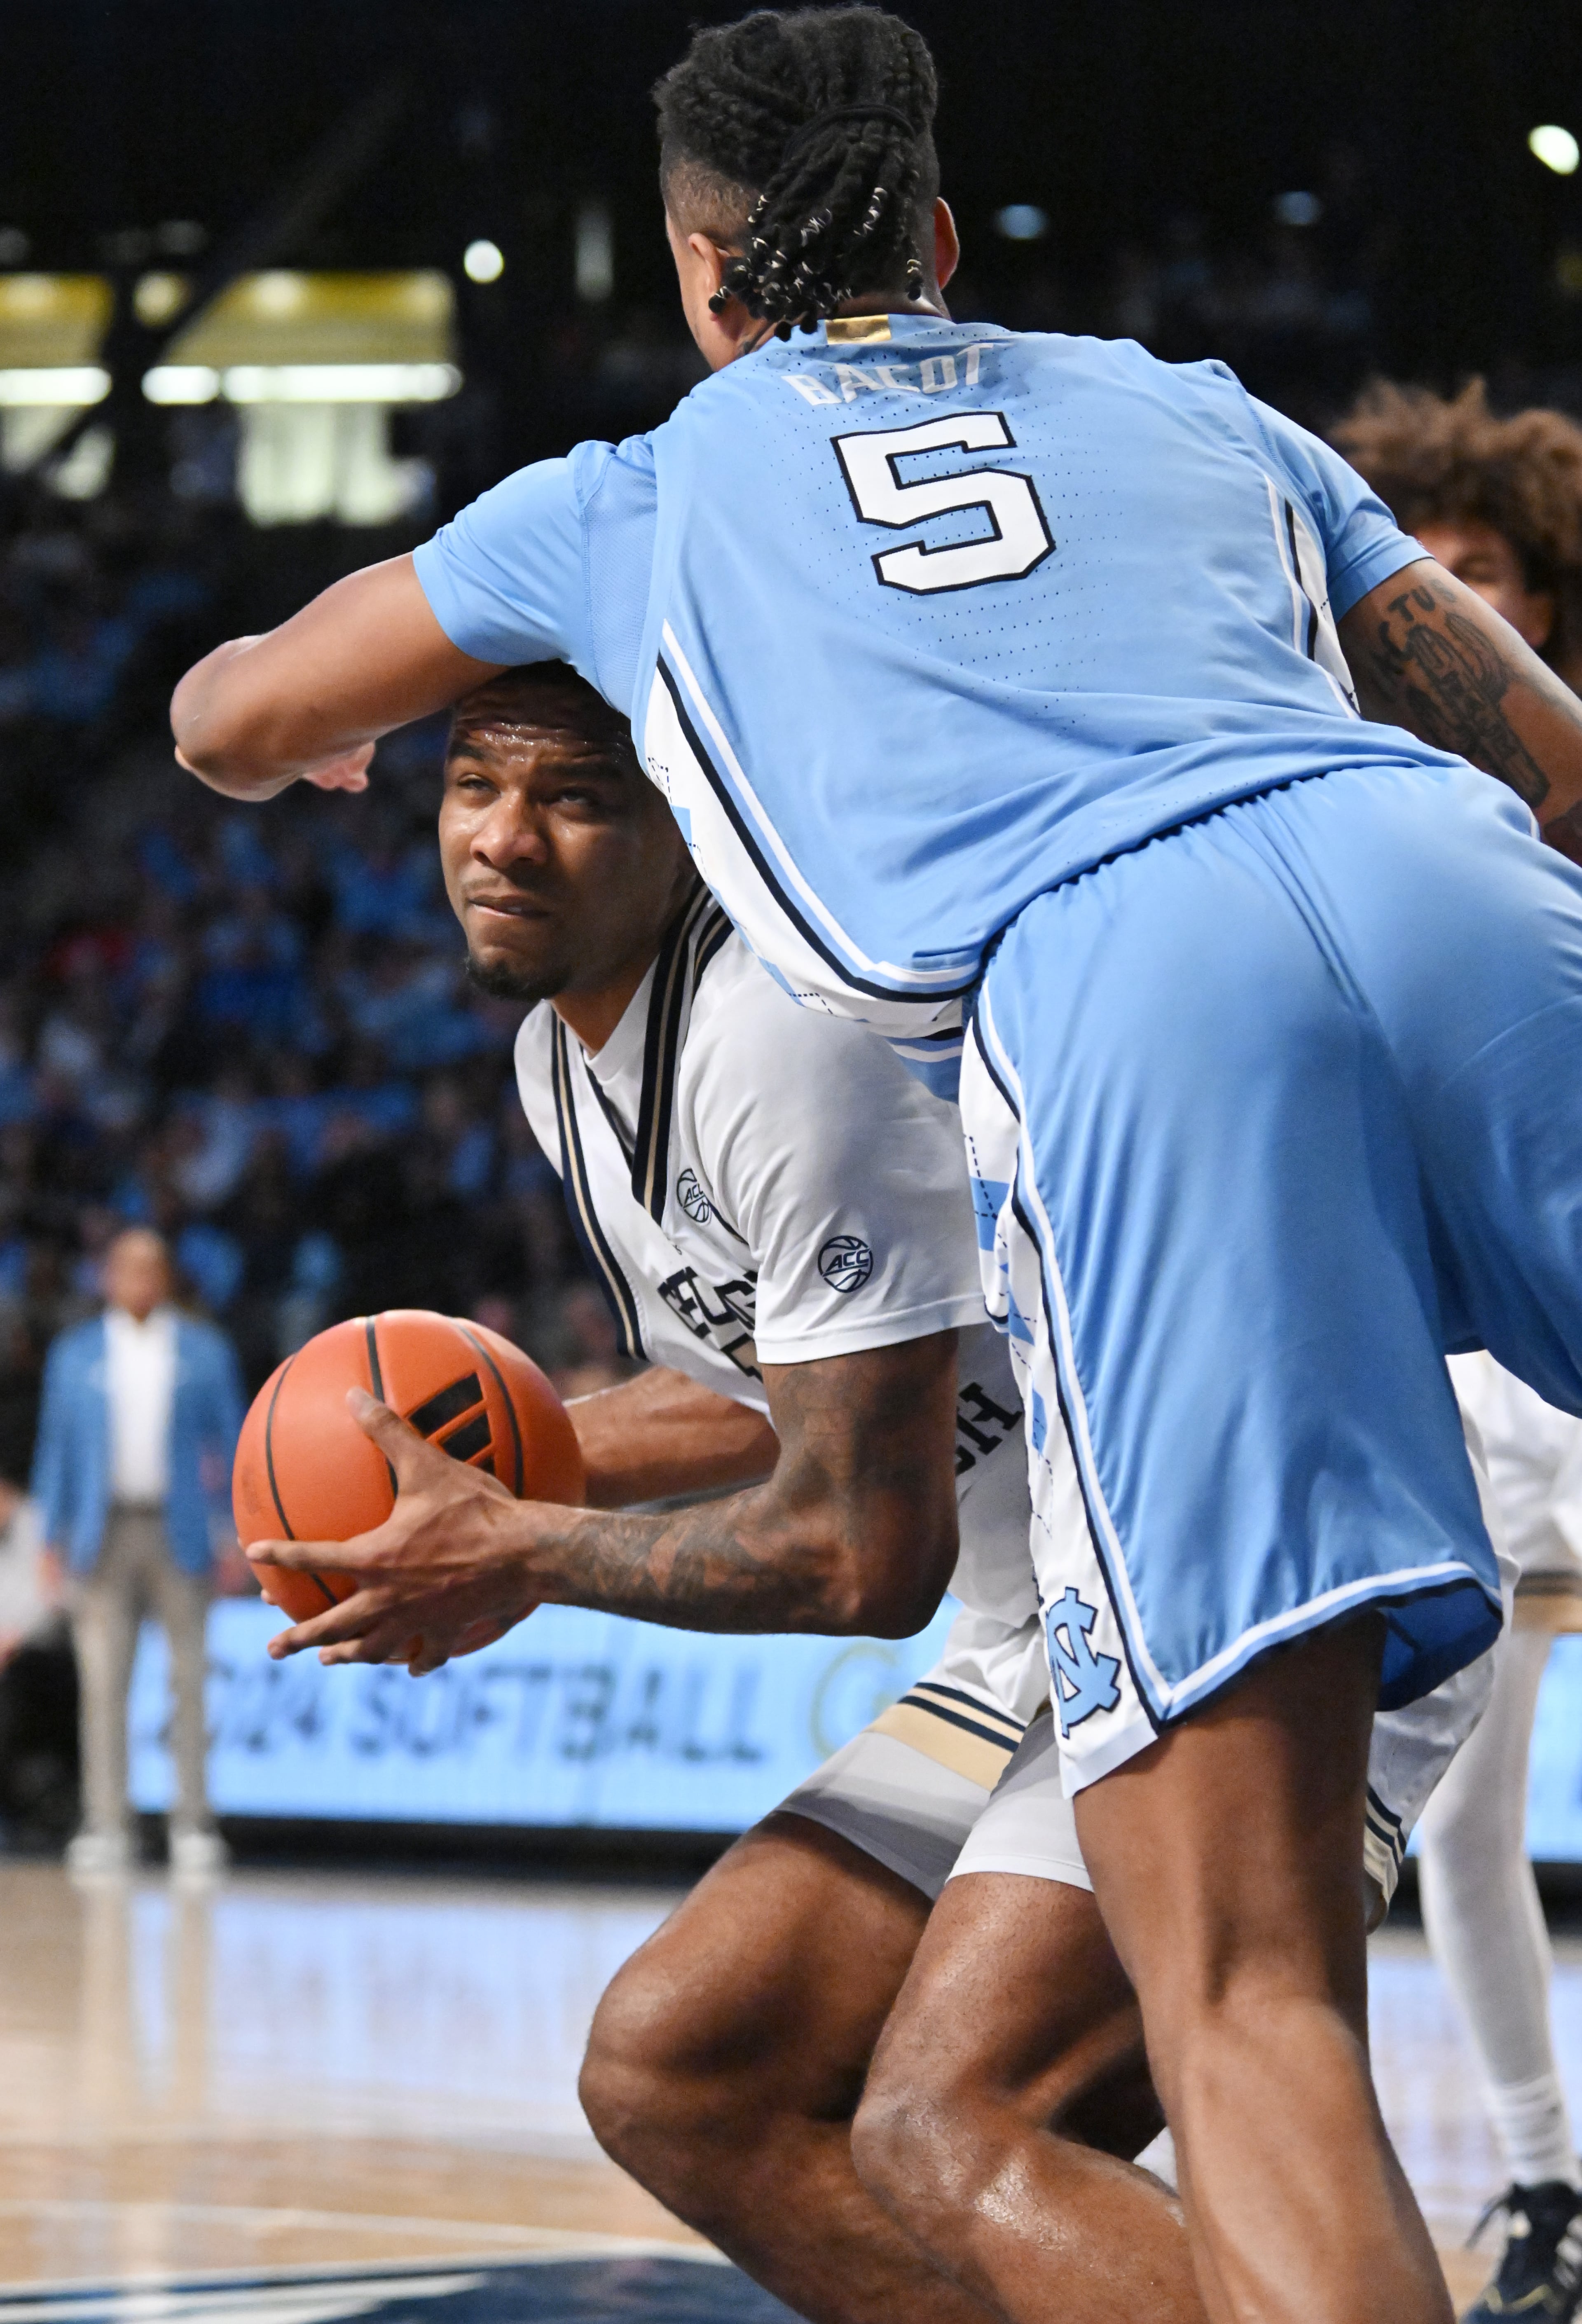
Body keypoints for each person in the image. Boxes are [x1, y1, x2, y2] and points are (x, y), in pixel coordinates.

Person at [166, 11, 1582, 2317]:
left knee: (1231, 2006)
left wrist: (303, 737)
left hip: (1139, 999)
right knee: (720, 2063)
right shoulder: (1192, 401)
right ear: (936, 238)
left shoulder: (641, 490)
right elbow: (1542, 755)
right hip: (1451, 876)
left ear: (702, 276)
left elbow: (232, 709)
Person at [249, 663, 1497, 2324]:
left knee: (960, 2121)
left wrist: (525, 1547)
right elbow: (787, 1392)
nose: (506, 839)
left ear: (688, 828)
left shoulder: (781, 1042)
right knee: (681, 2071)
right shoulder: (567, 1060)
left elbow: (859, 1550)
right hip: (1034, 1623)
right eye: (476, 786)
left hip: (1221, 1579)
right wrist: (484, 1469)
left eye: (576, 796)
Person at [1336, 379, 1582, 2324]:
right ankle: (1545, 2183)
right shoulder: (1340, 809)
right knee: (1458, 1820)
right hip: (1466, 1356)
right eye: (1418, 581)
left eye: (1482, 579)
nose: (1450, 609)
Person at [31, 1226, 243, 1876]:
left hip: (178, 1531)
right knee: (104, 1683)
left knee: (189, 1682)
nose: (138, 1279)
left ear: (167, 1276)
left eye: (150, 1267)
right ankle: (107, 1822)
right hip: (103, 1532)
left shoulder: (204, 1350)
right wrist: (50, 1536)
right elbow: (58, 1448)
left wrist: (234, 1532)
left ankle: (192, 1823)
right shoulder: (76, 1352)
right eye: (125, 1267)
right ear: (108, 1276)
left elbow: (233, 1444)